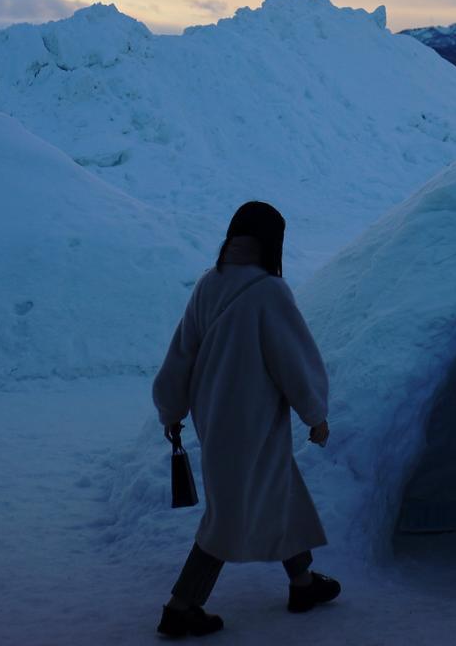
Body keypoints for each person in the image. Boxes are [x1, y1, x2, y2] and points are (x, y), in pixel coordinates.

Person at [151, 200, 340, 639]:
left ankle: (302, 583)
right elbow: (293, 361)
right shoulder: (270, 291)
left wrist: (171, 408)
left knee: (281, 492)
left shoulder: (209, 283)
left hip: (215, 418)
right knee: (229, 515)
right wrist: (315, 415)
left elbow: (182, 353)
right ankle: (181, 607)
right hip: (252, 422)